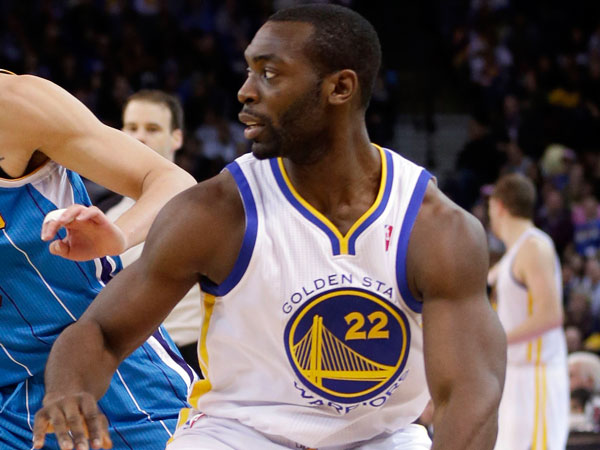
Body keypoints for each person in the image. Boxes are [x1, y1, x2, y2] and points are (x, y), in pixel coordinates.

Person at [33, 5, 506, 450]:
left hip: (379, 437)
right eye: (248, 71)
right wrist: (69, 389)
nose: (246, 91)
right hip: (238, 433)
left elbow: (469, 394)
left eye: (270, 73)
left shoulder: (435, 228)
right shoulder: (215, 212)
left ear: (340, 88)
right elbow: (101, 331)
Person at [0, 70, 197, 449]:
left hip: (106, 372)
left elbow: (171, 180)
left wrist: (119, 236)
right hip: (8, 402)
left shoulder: (13, 105)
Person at [105, 89, 203, 375]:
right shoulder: (102, 214)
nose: (139, 137)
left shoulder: (208, 208)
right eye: (131, 127)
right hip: (131, 362)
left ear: (177, 138)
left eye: (152, 129)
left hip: (196, 356)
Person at [488, 173, 569, 450]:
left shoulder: (534, 247)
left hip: (536, 376)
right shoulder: (512, 254)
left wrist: (497, 340)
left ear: (499, 206)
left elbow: (551, 315)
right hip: (515, 375)